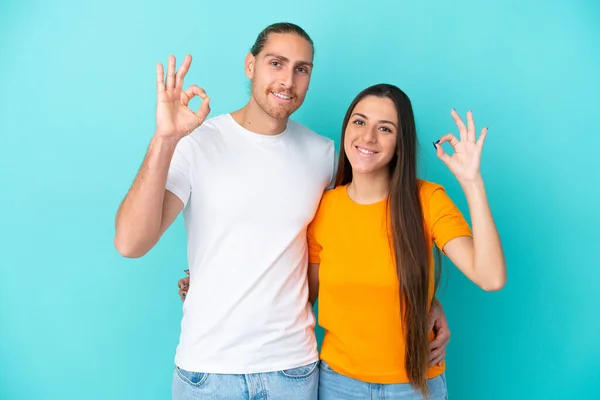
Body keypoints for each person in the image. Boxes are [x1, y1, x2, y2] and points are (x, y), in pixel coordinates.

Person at [115, 22, 450, 400]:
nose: (287, 80)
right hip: (207, 371)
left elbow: (355, 241)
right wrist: (164, 140)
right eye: (276, 63)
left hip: (292, 371)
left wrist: (425, 299)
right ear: (250, 65)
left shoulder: (322, 153)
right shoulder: (196, 142)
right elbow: (131, 242)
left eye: (301, 69)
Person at [310, 84, 505, 399]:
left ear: (400, 143)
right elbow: (302, 300)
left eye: (384, 128)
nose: (368, 137)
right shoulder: (323, 208)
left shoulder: (427, 201)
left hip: (415, 387)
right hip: (337, 385)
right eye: (359, 122)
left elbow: (491, 277)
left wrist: (472, 183)